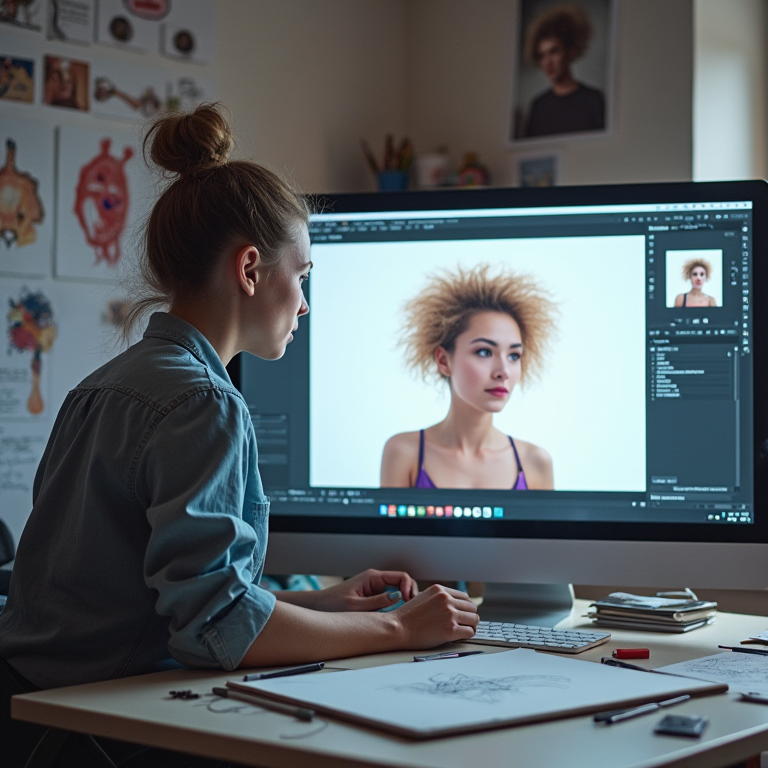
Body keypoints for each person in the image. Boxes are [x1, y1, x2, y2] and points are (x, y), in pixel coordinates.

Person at [0, 104, 477, 767]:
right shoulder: (205, 403)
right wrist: (396, 628)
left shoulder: (103, 384)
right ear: (251, 269)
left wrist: (325, 604)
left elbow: (162, 597)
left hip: (32, 707)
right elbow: (212, 630)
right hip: (103, 733)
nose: (305, 303)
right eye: (302, 275)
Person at [381, 265, 557, 491]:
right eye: (484, 352)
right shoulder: (404, 452)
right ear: (444, 361)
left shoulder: (536, 462)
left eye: (514, 355)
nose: (503, 370)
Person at [520, 5, 606, 138]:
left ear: (571, 52)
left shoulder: (593, 99)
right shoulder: (538, 106)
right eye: (542, 55)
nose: (548, 62)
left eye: (553, 52)